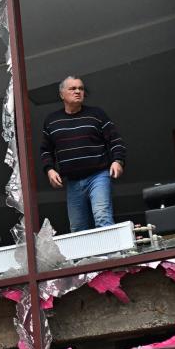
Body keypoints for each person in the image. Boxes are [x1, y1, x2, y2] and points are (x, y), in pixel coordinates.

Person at [40, 76, 126, 233]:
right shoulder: (52, 121)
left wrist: (117, 161)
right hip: (73, 182)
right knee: (78, 227)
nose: (78, 91)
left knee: (102, 217)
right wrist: (49, 170)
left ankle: (112, 257)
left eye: (80, 88)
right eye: (72, 89)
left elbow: (115, 140)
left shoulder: (96, 114)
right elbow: (45, 150)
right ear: (62, 95)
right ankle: (85, 259)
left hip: (98, 175)